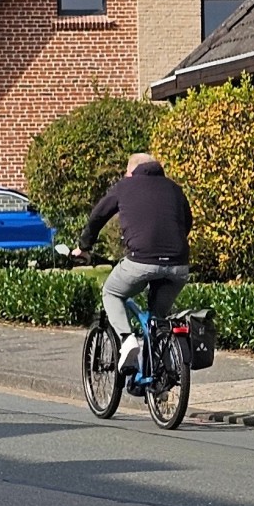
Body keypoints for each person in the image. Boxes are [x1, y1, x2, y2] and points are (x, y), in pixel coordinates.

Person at [78, 152, 192, 374]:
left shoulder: (124, 186)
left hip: (141, 261)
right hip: (178, 264)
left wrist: (84, 246)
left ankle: (126, 339)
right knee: (158, 320)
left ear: (131, 172)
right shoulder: (174, 188)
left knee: (111, 292)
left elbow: (98, 216)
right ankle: (163, 374)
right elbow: (186, 222)